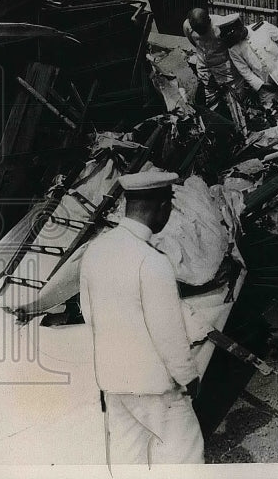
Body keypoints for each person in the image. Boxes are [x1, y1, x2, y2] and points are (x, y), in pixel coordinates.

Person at [79, 170, 204, 466]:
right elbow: (168, 333)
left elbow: (90, 316)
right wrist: (188, 376)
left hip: (114, 383)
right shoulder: (153, 261)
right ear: (162, 206)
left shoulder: (95, 251)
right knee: (185, 459)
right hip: (155, 387)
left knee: (127, 463)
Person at [220, 14, 278, 124]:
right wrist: (261, 86)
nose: (234, 40)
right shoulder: (233, 49)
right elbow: (245, 72)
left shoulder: (262, 27)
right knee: (272, 116)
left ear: (239, 28)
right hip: (264, 84)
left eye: (234, 35)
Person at [183, 8, 235, 109]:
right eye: (198, 31)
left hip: (224, 69)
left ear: (209, 21)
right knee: (211, 101)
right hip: (205, 68)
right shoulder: (187, 25)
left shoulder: (221, 26)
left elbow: (233, 49)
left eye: (203, 30)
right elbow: (193, 42)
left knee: (233, 100)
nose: (200, 34)